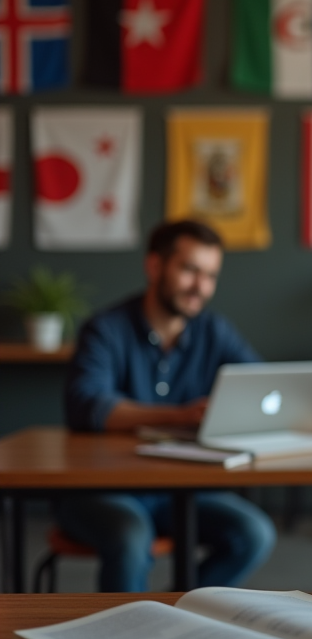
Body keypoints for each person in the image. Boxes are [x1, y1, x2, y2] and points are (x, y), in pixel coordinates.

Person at [60, 219, 276, 592]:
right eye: (190, 270)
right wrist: (180, 416)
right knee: (130, 537)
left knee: (255, 534)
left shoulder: (213, 330)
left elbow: (259, 385)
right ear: (155, 266)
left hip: (181, 489)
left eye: (210, 275)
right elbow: (88, 405)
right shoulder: (105, 329)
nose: (200, 287)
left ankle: (175, 616)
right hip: (103, 489)